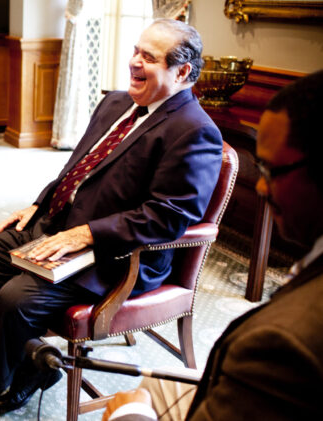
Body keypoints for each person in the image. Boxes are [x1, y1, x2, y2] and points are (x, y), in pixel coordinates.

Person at [0, 18, 224, 415]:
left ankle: (2, 380)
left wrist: (87, 235)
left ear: (182, 72)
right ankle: (35, 360)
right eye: (135, 50)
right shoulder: (116, 102)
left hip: (116, 256)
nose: (133, 62)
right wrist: (40, 205)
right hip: (61, 226)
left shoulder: (194, 131)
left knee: (15, 300)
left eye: (148, 57)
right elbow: (77, 169)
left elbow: (168, 215)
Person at [102, 69, 323, 421]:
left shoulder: (285, 344)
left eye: (271, 170)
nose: (262, 188)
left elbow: (168, 216)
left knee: (135, 397)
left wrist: (127, 414)